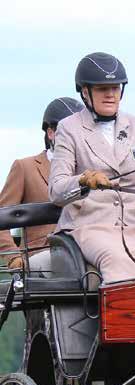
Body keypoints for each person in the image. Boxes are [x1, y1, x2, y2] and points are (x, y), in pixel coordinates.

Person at [49, 52, 135, 284]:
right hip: (92, 223)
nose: (111, 94)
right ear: (85, 92)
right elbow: (56, 190)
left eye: (115, 88)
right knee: (118, 264)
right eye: (103, 89)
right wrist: (84, 180)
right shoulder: (68, 128)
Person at [0, 98, 83, 269]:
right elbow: (1, 218)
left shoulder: (92, 170)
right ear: (51, 133)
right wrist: (13, 258)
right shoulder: (25, 168)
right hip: (43, 257)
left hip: (88, 252)